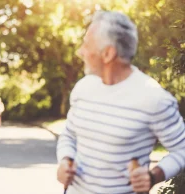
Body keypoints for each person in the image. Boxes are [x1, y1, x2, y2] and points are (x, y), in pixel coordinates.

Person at [56, 11, 185, 194]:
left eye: (86, 45)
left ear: (108, 54)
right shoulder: (82, 88)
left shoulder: (153, 99)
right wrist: (65, 161)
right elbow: (69, 135)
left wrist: (153, 176)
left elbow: (182, 149)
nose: (80, 52)